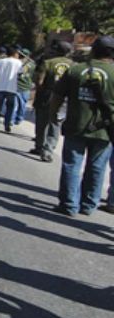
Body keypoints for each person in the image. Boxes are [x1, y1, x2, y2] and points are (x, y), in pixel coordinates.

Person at [48, 35, 114, 216]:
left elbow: (57, 97)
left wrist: (53, 116)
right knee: (97, 167)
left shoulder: (76, 70)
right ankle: (88, 204)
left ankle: (69, 204)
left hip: (76, 125)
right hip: (105, 130)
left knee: (71, 165)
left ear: (93, 50)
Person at [31, 40, 73, 162]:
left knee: (41, 122)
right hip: (64, 98)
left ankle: (39, 146)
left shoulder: (48, 62)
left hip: (46, 95)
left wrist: (40, 91)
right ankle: (48, 150)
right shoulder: (74, 65)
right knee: (55, 124)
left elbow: (39, 81)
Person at [0, 47, 24, 133]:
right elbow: (20, 74)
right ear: (15, 54)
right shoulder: (18, 63)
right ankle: (7, 125)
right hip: (11, 89)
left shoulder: (0, 61)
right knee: (10, 108)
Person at [14, 48, 35, 126]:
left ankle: (13, 118)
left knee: (15, 103)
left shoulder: (19, 63)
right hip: (27, 86)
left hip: (18, 84)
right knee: (23, 104)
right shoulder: (33, 64)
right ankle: (19, 118)